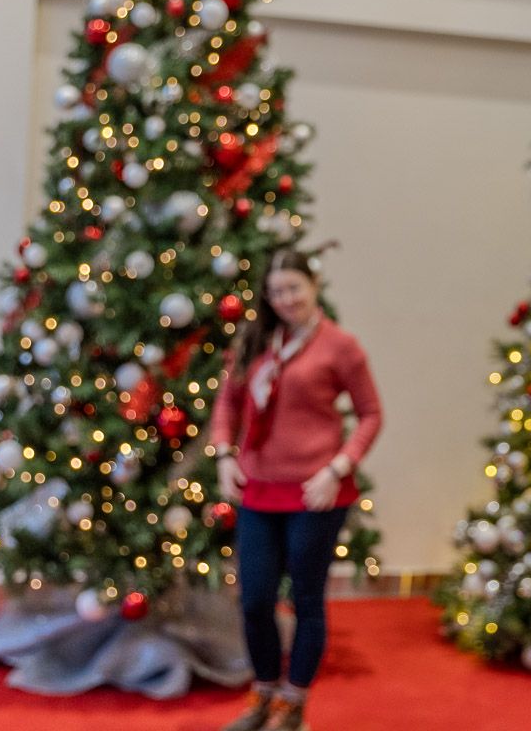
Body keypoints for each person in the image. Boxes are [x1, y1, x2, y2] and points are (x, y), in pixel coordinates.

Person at [211, 247, 383, 731]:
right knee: (255, 599)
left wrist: (338, 468)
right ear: (267, 297)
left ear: (314, 287)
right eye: (277, 291)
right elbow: (228, 403)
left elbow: (371, 414)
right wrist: (225, 454)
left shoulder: (340, 346)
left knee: (306, 598)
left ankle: (293, 703)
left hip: (316, 493)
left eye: (295, 289)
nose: (287, 299)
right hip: (258, 491)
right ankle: (263, 693)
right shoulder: (254, 342)